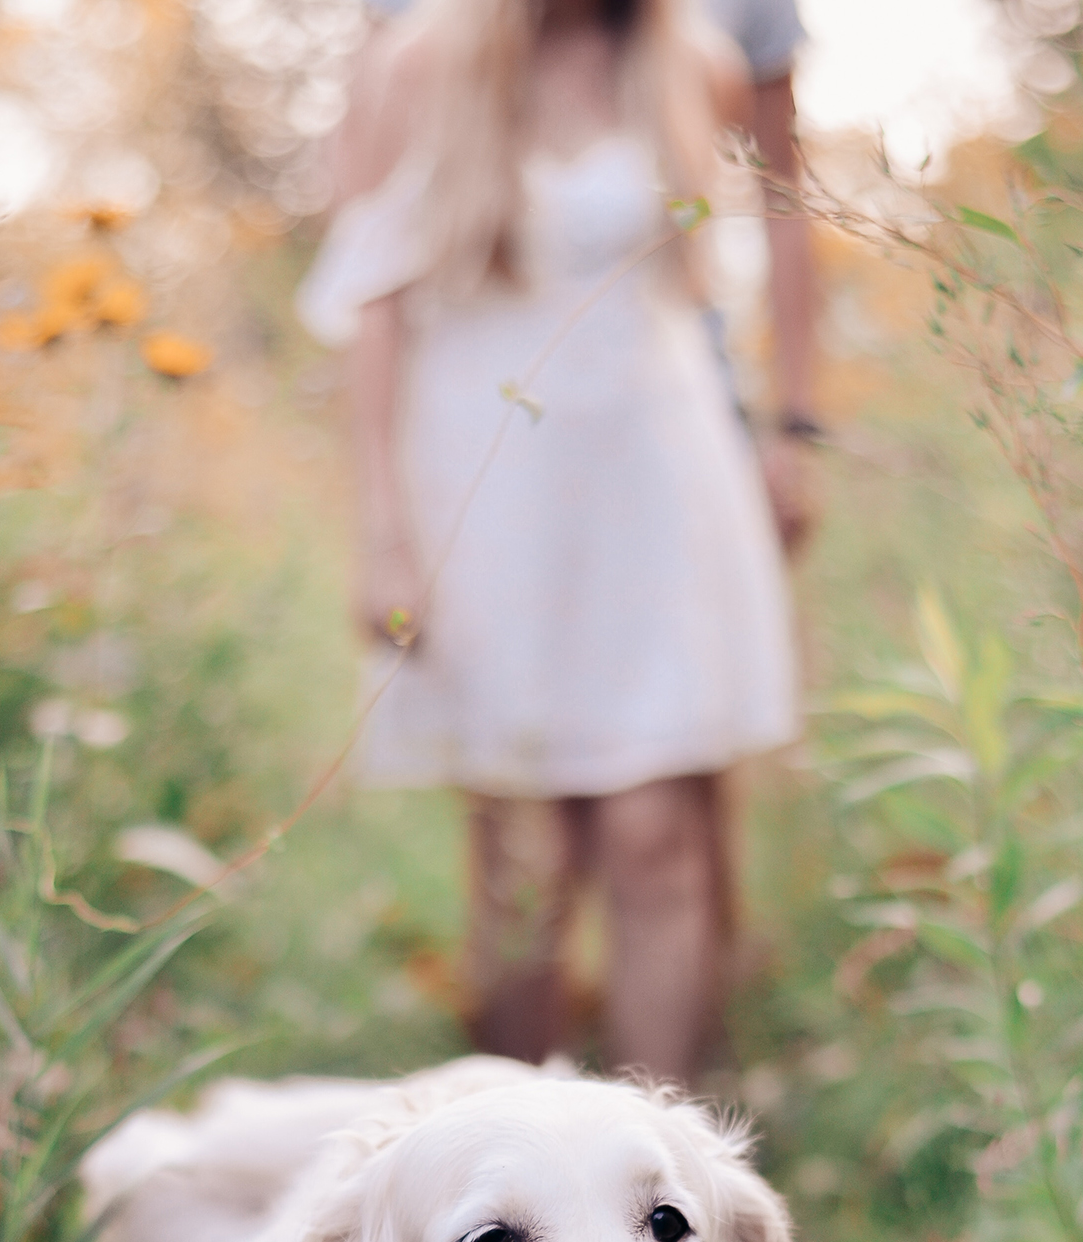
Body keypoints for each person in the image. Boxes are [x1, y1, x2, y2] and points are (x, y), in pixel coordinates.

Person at [298, 0, 810, 1086]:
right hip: (488, 482)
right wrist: (385, 531)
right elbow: (373, 307)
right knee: (524, 850)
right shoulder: (418, 62)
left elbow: (756, 241)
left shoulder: (695, 62)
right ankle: (520, 1155)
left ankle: (660, 1167)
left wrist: (788, 428)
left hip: (658, 477)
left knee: (655, 833)